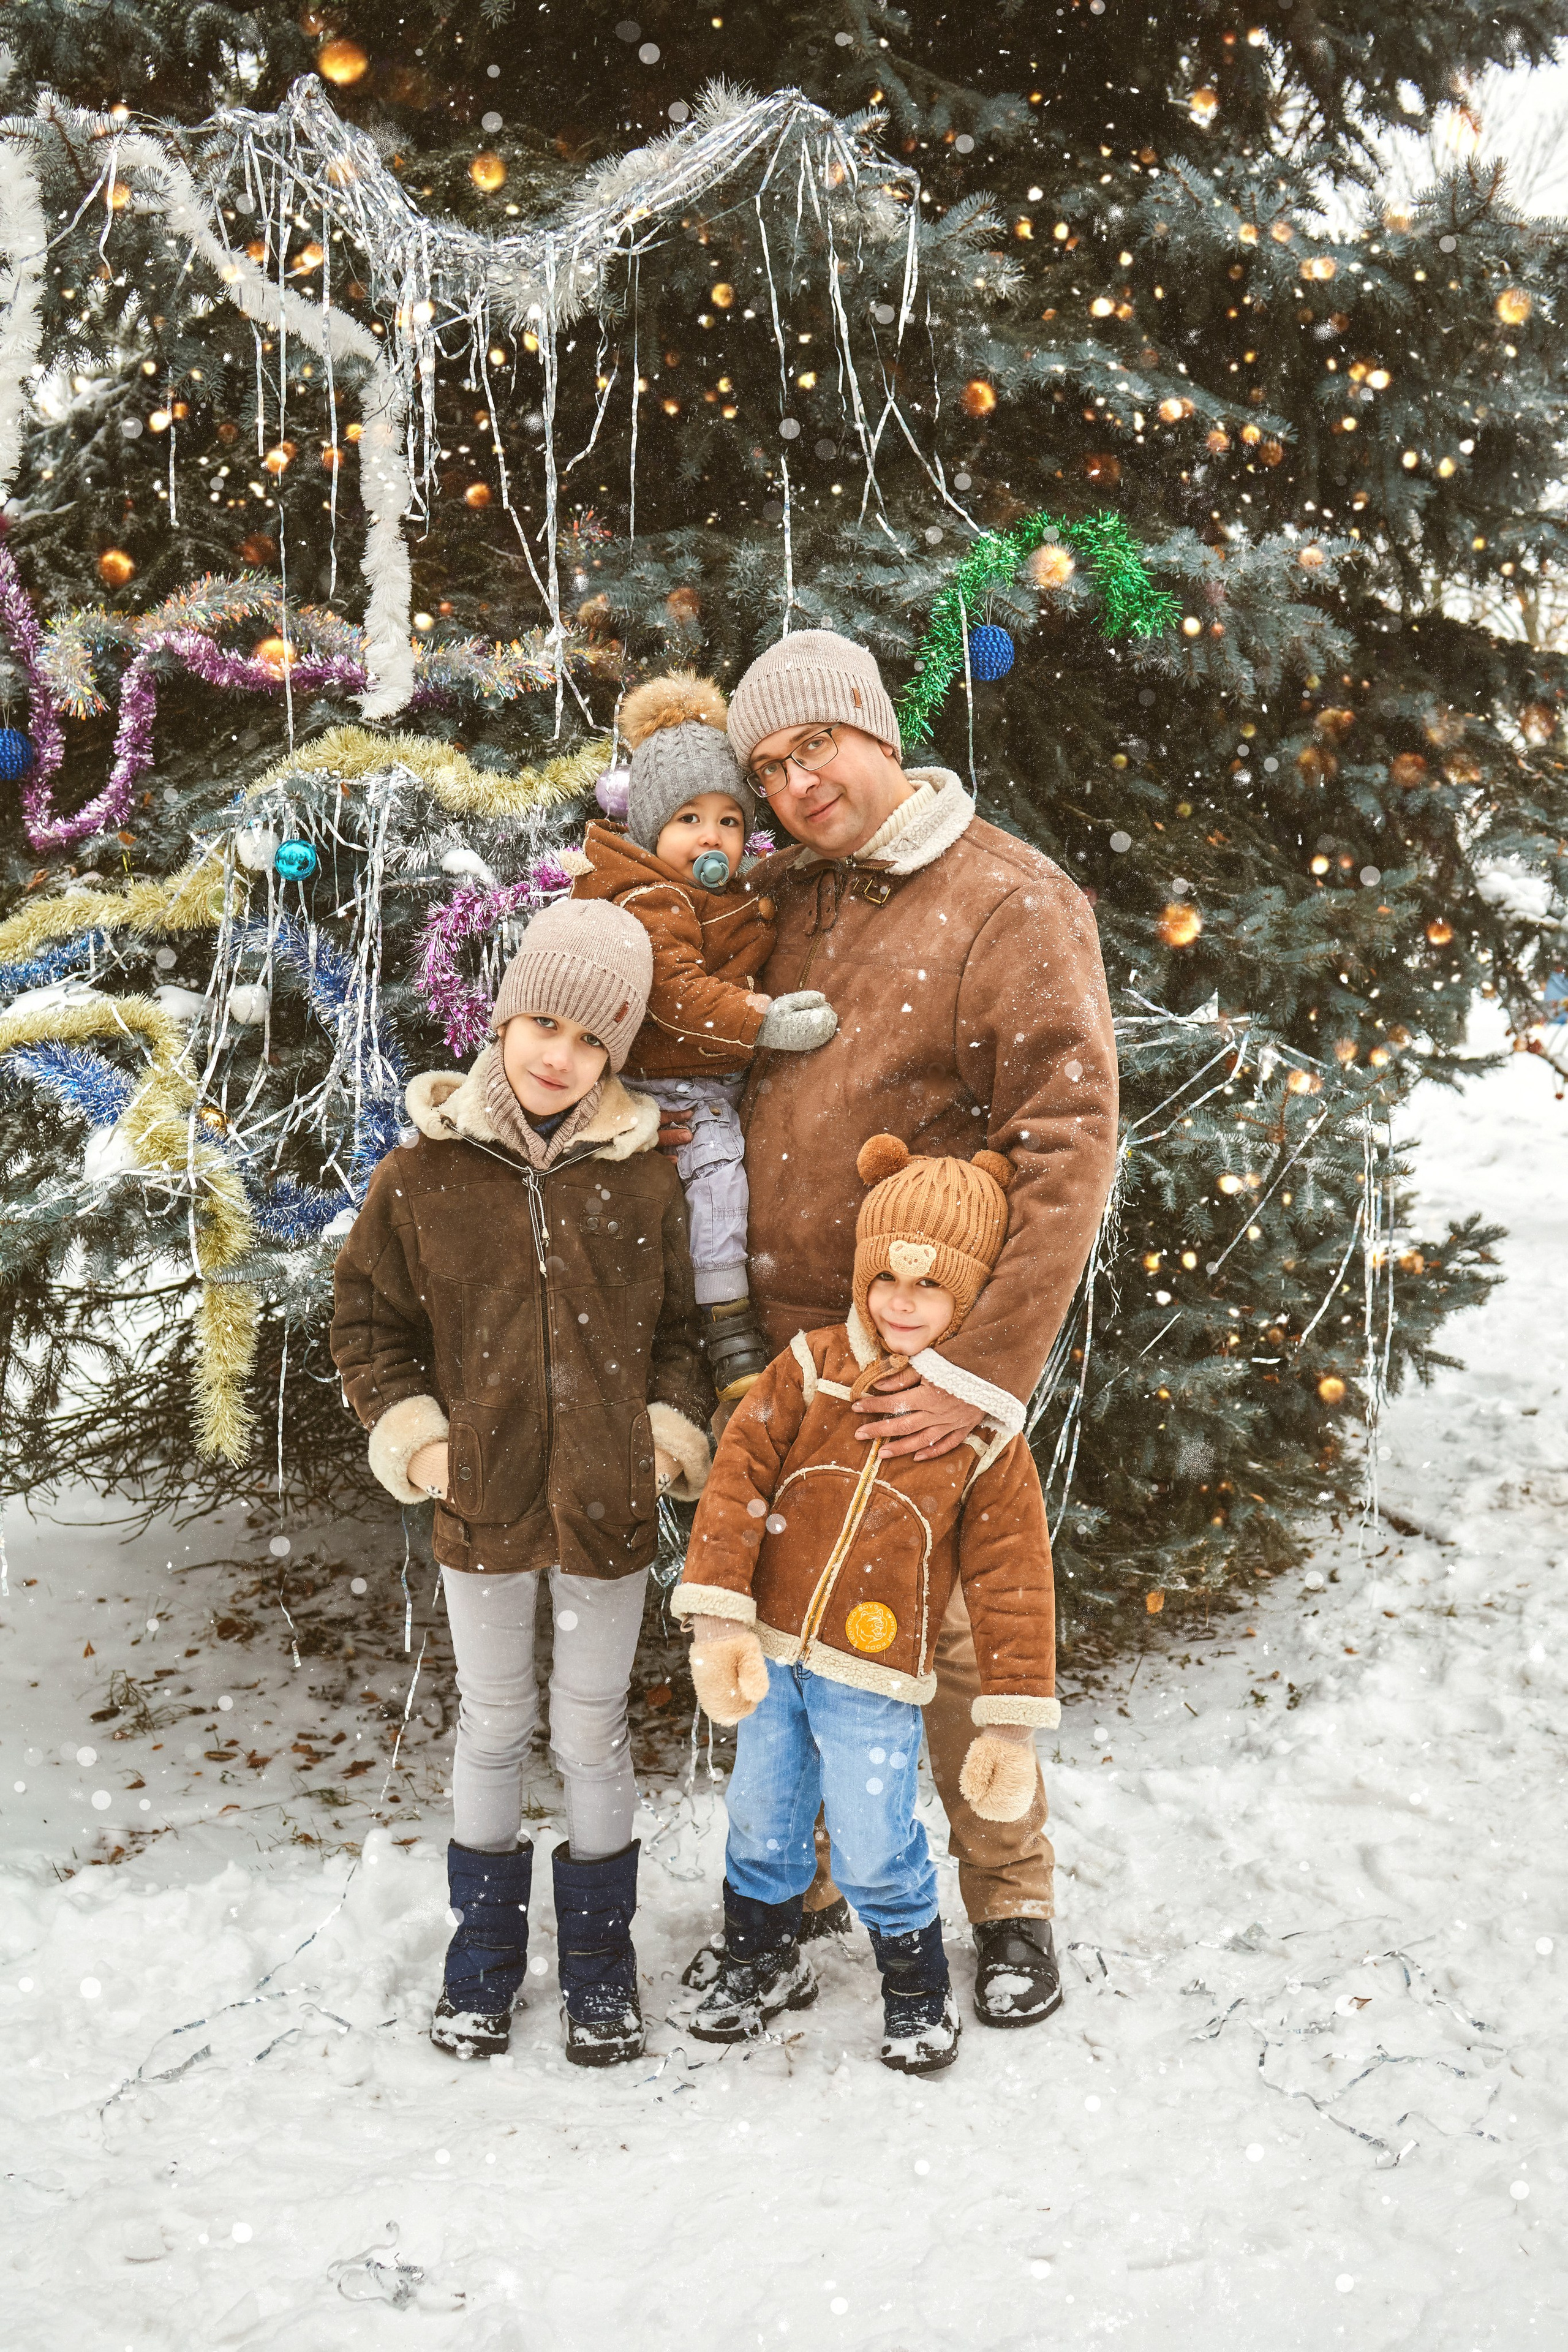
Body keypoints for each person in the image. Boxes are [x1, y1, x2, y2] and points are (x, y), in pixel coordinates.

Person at [669, 627, 1118, 2028]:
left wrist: (979, 1375)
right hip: (786, 1349)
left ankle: (1009, 1900)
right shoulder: (781, 898)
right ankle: (795, 1894)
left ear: (875, 731)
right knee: (796, 1631)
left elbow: (1066, 1138)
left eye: (817, 749)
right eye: (770, 769)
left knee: (964, 1641)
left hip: (927, 1350)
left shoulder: (1004, 900)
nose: (798, 784)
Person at [330, 898, 714, 2068]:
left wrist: (665, 1432)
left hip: (607, 1507)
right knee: (494, 1726)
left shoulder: (643, 1179)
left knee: (592, 1733)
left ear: (615, 1054)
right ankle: (484, 1957)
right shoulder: (424, 1176)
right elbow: (368, 1323)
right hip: (481, 1504)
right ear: (501, 1019)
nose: (562, 1056)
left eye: (592, 1040)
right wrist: (421, 1440)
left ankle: (600, 1966)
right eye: (544, 1022)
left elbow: (683, 1336)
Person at [671, 1136, 1058, 2075]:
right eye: (885, 1277)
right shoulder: (809, 1368)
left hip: (877, 1676)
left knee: (877, 1833)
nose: (902, 1301)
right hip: (773, 1653)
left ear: (969, 1296)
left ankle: (914, 1982)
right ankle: (763, 1957)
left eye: (930, 1287)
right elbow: (736, 1479)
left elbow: (1013, 1577)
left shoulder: (983, 1435)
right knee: (763, 1818)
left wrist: (1007, 1720)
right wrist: (722, 1614)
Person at [568, 671, 837, 1403]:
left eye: (728, 820)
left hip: (705, 1072)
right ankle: (726, 1319)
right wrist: (765, 1019)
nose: (711, 837)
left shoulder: (724, 894)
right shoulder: (653, 895)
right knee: (716, 1169)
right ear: (652, 828)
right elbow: (674, 995)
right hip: (667, 1079)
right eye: (689, 819)